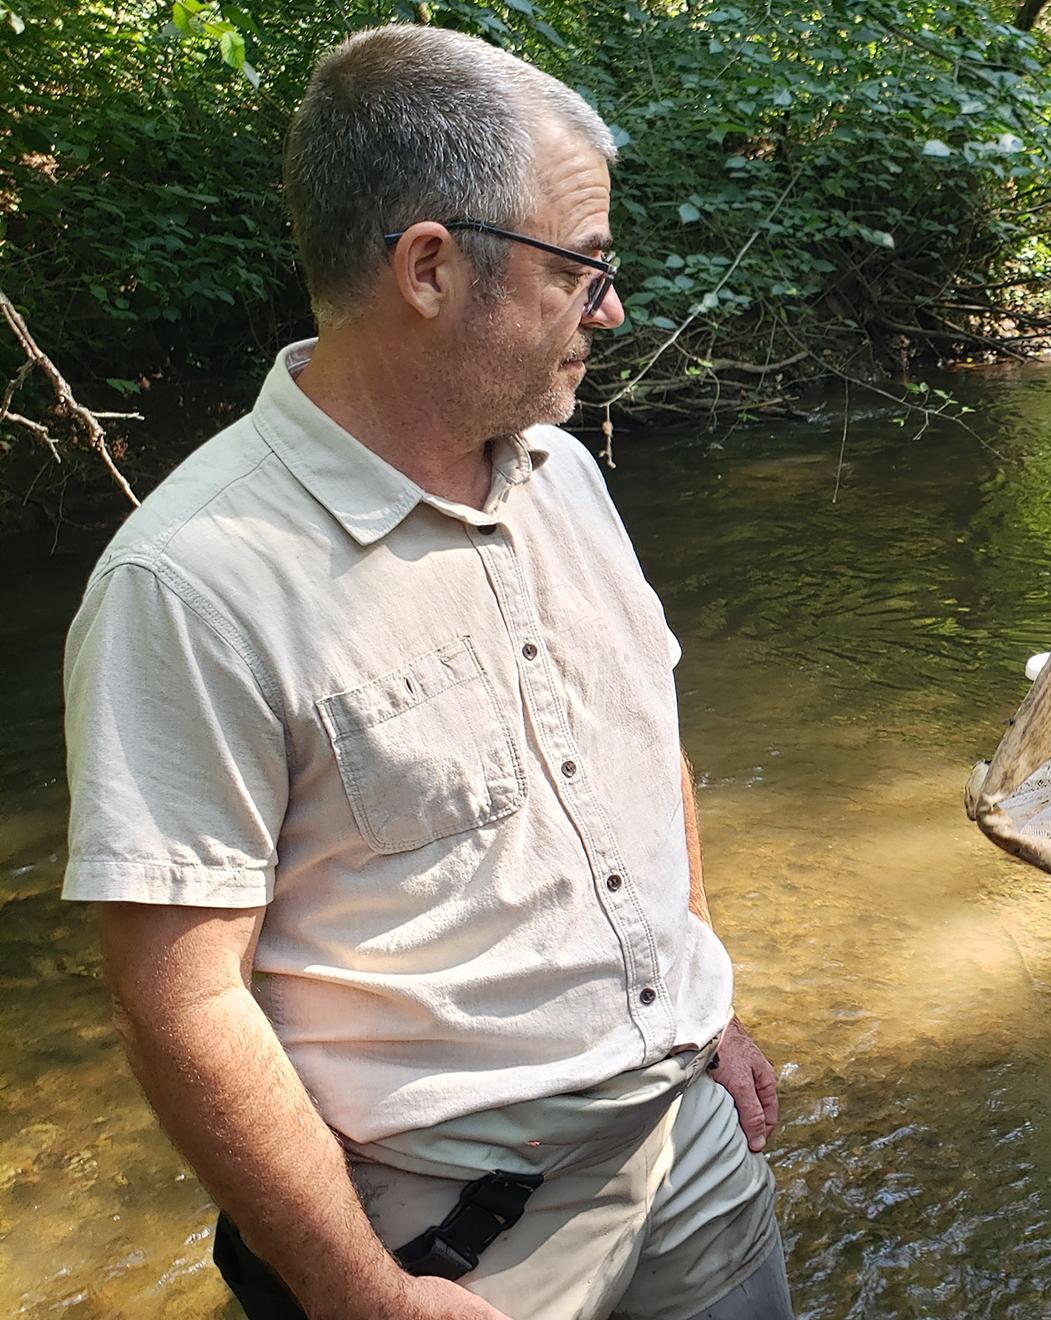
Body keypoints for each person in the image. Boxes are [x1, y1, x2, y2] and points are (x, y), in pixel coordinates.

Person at [60, 26, 789, 1320]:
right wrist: (358, 1297)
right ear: (432, 269)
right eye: (583, 268)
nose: (611, 308)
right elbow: (179, 1005)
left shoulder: (566, 475)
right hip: (454, 1251)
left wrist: (705, 1010)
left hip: (689, 1144)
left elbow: (640, 740)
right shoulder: (188, 583)